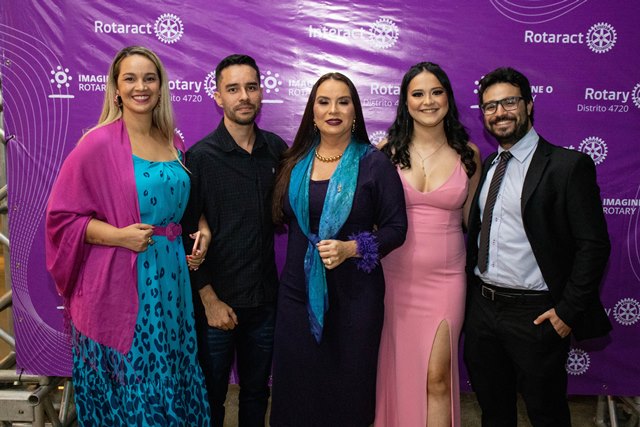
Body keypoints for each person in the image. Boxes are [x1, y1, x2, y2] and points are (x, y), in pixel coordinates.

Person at [45, 46, 210, 425]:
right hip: (125, 283)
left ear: (160, 86)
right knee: (136, 388)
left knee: (170, 379)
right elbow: (62, 219)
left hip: (172, 283)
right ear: (116, 89)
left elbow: (176, 201)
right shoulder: (97, 143)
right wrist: (120, 237)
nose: (141, 87)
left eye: (149, 78)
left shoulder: (172, 142)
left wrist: (200, 228)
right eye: (130, 79)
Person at [464, 67, 611, 427]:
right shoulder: (488, 165)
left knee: (547, 414)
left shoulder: (567, 166)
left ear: (529, 105)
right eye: (490, 106)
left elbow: (593, 246)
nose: (499, 112)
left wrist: (566, 313)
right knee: (493, 412)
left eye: (509, 102)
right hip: (483, 309)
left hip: (535, 315)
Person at [269, 72, 408, 427]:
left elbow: (396, 229)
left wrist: (352, 248)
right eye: (324, 102)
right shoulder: (294, 162)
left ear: (355, 112)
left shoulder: (374, 164)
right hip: (297, 297)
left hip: (355, 300)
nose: (333, 110)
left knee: (347, 395)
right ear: (312, 113)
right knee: (296, 392)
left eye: (343, 102)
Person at [180, 54, 287, 427]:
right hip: (215, 304)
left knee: (257, 395)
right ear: (218, 96)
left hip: (264, 303)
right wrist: (209, 300)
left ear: (261, 93)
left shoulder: (277, 151)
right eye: (233, 89)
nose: (244, 96)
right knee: (210, 398)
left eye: (251, 87)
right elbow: (185, 233)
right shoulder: (200, 158)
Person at [375, 62, 481, 427]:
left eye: (436, 92)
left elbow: (473, 222)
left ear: (448, 98)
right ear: (405, 102)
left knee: (438, 376)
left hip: (446, 280)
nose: (428, 101)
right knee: (396, 371)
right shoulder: (386, 153)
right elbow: (373, 221)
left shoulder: (468, 154)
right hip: (394, 278)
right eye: (418, 94)